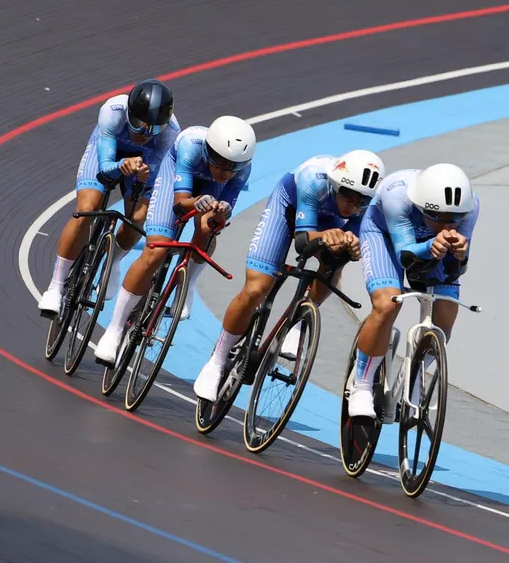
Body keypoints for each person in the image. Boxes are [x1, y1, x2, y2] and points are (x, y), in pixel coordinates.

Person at [193, 150, 385, 402]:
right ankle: (217, 362)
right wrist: (325, 236)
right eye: (348, 195)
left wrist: (352, 245)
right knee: (255, 289)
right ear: (336, 184)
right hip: (290, 209)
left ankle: (298, 321)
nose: (354, 205)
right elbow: (303, 242)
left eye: (362, 201)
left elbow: (357, 241)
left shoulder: (367, 206)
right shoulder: (312, 179)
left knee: (336, 260)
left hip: (328, 219)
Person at [93, 115, 257, 364]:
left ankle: (187, 284)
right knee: (156, 250)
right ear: (208, 151)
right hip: (177, 181)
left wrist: (220, 213)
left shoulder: (242, 168)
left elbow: (222, 216)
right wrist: (196, 202)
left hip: (208, 192)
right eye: (220, 164)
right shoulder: (191, 146)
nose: (225, 173)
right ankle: (114, 331)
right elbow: (180, 204)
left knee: (207, 227)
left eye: (232, 167)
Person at [38, 79, 180, 317]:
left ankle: (112, 261)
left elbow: (154, 174)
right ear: (129, 113)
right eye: (138, 123)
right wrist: (122, 164)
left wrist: (142, 176)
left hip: (141, 162)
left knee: (138, 217)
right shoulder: (113, 112)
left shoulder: (170, 134)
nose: (145, 133)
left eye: (154, 128)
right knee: (87, 208)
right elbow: (104, 168)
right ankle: (55, 286)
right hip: (107, 153)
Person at [348, 163, 480, 418]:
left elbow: (456, 270)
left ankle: (417, 376)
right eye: (437, 217)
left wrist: (461, 254)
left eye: (454, 219)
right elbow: (405, 255)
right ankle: (361, 385)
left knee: (445, 316)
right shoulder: (397, 196)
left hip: (426, 244)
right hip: (385, 235)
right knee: (387, 304)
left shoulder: (471, 207)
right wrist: (432, 244)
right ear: (420, 208)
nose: (447, 225)